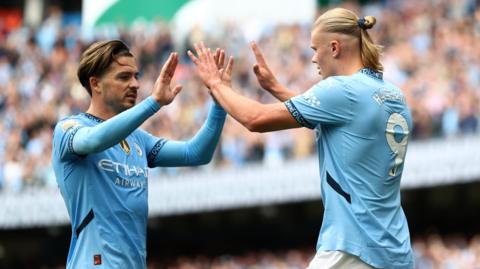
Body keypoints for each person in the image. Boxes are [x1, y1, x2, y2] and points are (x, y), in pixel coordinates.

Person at [188, 7, 414, 269]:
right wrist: (275, 88)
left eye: (315, 49)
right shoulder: (394, 96)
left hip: (353, 248)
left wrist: (216, 85)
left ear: (334, 47)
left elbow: (256, 119)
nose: (314, 59)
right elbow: (337, 121)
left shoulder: (341, 89)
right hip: (395, 250)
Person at [51, 40, 230, 269]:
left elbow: (196, 153)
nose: (135, 84)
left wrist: (219, 102)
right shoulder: (68, 129)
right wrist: (154, 102)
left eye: (136, 76)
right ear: (95, 83)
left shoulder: (137, 140)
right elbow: (94, 140)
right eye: (124, 77)